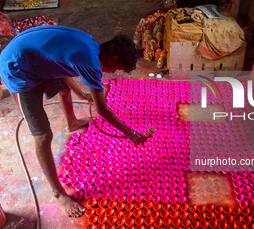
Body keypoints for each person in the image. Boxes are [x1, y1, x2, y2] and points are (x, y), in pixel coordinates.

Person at [0, 25, 145, 217]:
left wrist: (82, 93)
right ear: (113, 58)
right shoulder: (91, 63)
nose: (112, 72)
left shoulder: (90, 44)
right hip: (18, 69)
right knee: (43, 135)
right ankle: (58, 193)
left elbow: (61, 65)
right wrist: (129, 132)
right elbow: (102, 110)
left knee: (64, 88)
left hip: (31, 55)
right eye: (116, 69)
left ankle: (72, 122)